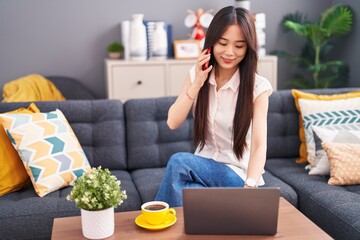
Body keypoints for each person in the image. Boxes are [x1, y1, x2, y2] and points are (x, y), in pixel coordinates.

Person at [155, 6, 273, 207]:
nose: (229, 52)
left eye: (239, 46)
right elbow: (172, 122)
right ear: (211, 43)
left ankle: (157, 219)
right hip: (202, 171)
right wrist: (197, 83)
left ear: (248, 48)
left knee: (179, 161)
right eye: (222, 43)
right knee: (192, 193)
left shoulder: (258, 88)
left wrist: (250, 188)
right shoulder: (195, 75)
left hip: (237, 176)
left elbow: (259, 145)